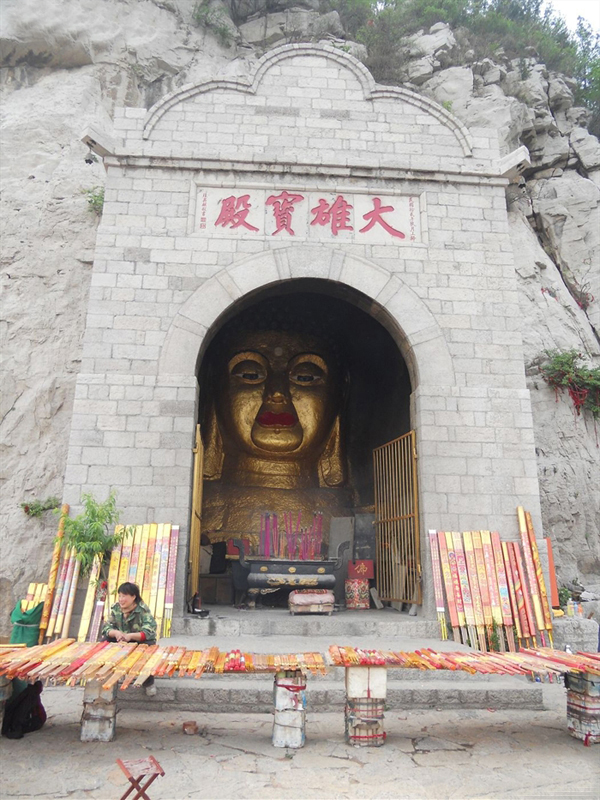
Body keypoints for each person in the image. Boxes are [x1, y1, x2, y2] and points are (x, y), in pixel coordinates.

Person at [101, 582, 158, 696]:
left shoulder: (143, 610)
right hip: (121, 638)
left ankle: (148, 683)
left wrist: (130, 636)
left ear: (133, 597)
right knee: (104, 642)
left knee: (147, 649)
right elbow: (106, 627)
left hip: (138, 639)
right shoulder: (116, 608)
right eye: (120, 596)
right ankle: (105, 676)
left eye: (124, 596)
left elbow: (149, 632)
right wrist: (116, 633)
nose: (121, 599)